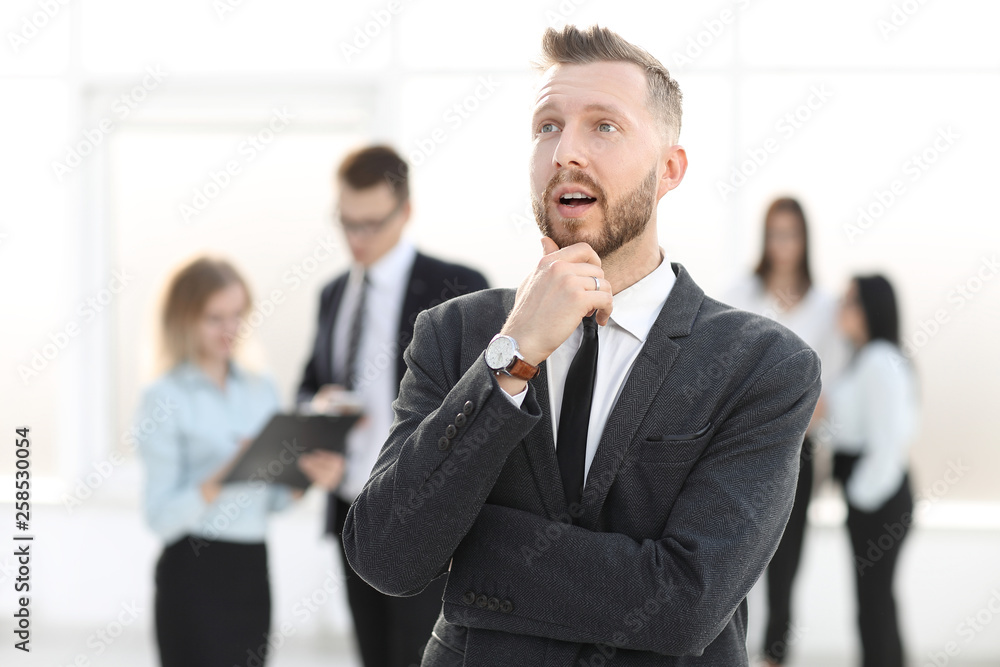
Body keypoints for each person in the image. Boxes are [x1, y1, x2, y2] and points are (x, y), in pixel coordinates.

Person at [343, 25, 822, 666]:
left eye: (604, 126)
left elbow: (686, 603)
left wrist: (473, 554)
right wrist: (513, 356)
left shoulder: (762, 365)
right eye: (547, 126)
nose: (567, 149)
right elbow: (386, 553)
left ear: (669, 170)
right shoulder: (457, 336)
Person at [296, 145, 489, 667]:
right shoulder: (333, 293)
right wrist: (317, 412)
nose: (356, 239)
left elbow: (485, 407)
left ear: (405, 212)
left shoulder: (458, 288)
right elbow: (309, 383)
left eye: (371, 224)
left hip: (425, 516)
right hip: (352, 512)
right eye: (346, 223)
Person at [136, 256, 303, 667]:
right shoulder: (164, 396)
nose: (230, 329)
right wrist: (225, 475)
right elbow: (160, 516)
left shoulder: (260, 386)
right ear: (183, 320)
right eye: (215, 318)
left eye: (237, 315)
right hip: (193, 574)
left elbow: (273, 501)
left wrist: (301, 479)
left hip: (251, 569)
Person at [724, 196, 847, 665]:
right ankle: (727, 651)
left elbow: (830, 386)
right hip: (743, 445)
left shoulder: (825, 304)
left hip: (800, 447)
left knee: (787, 560)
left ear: (805, 240)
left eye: (791, 234)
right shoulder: (741, 293)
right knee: (733, 556)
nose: (783, 244)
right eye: (776, 233)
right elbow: (727, 371)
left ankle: (776, 655)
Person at [828, 275, 917, 667]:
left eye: (850, 302)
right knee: (874, 602)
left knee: (875, 603)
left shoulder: (880, 360)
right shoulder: (862, 358)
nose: (841, 310)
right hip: (870, 495)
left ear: (871, 310)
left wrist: (859, 495)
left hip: (878, 497)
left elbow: (888, 443)